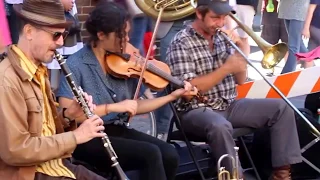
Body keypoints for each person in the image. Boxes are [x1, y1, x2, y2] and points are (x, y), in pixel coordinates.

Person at [56, 2, 195, 180]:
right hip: (88, 137)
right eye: (121, 35)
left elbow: (134, 106)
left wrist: (171, 96)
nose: (127, 40)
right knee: (150, 153)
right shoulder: (77, 64)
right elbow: (69, 115)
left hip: (116, 130)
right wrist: (112, 107)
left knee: (169, 153)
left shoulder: (121, 62)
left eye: (128, 33)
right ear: (101, 35)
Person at [166, 0, 302, 179]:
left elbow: (240, 80)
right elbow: (189, 91)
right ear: (199, 14)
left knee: (281, 108)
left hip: (228, 105)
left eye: (223, 18)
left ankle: (281, 174)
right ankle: (235, 176)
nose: (221, 23)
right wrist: (226, 68)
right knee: (220, 126)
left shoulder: (222, 37)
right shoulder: (181, 42)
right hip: (195, 110)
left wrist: (242, 56)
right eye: (215, 18)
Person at [0, 0, 108, 180]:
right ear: (29, 32)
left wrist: (68, 115)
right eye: (55, 35)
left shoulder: (39, 70)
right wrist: (76, 136)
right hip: (29, 173)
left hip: (56, 164)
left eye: (63, 35)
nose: (60, 42)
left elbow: (41, 129)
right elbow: (16, 150)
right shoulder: (7, 81)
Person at [278, 0, 310, 74]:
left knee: (293, 45)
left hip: (298, 8)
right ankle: (312, 65)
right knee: (298, 44)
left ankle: (286, 73)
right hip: (286, 8)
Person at [302, 0, 320, 68]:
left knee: (310, 53)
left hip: (315, 27)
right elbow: (310, 10)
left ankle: (308, 73)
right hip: (316, 27)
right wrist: (306, 28)